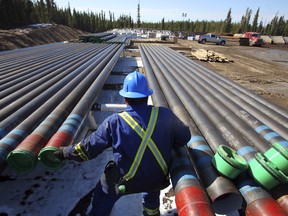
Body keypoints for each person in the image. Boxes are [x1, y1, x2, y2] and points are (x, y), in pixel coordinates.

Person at [54, 71, 191, 216]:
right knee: (151, 191)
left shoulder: (114, 122)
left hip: (124, 181)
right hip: (155, 178)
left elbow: (87, 149)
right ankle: (151, 213)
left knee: (102, 196)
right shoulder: (165, 115)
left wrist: (64, 152)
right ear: (147, 96)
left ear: (125, 98)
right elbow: (185, 137)